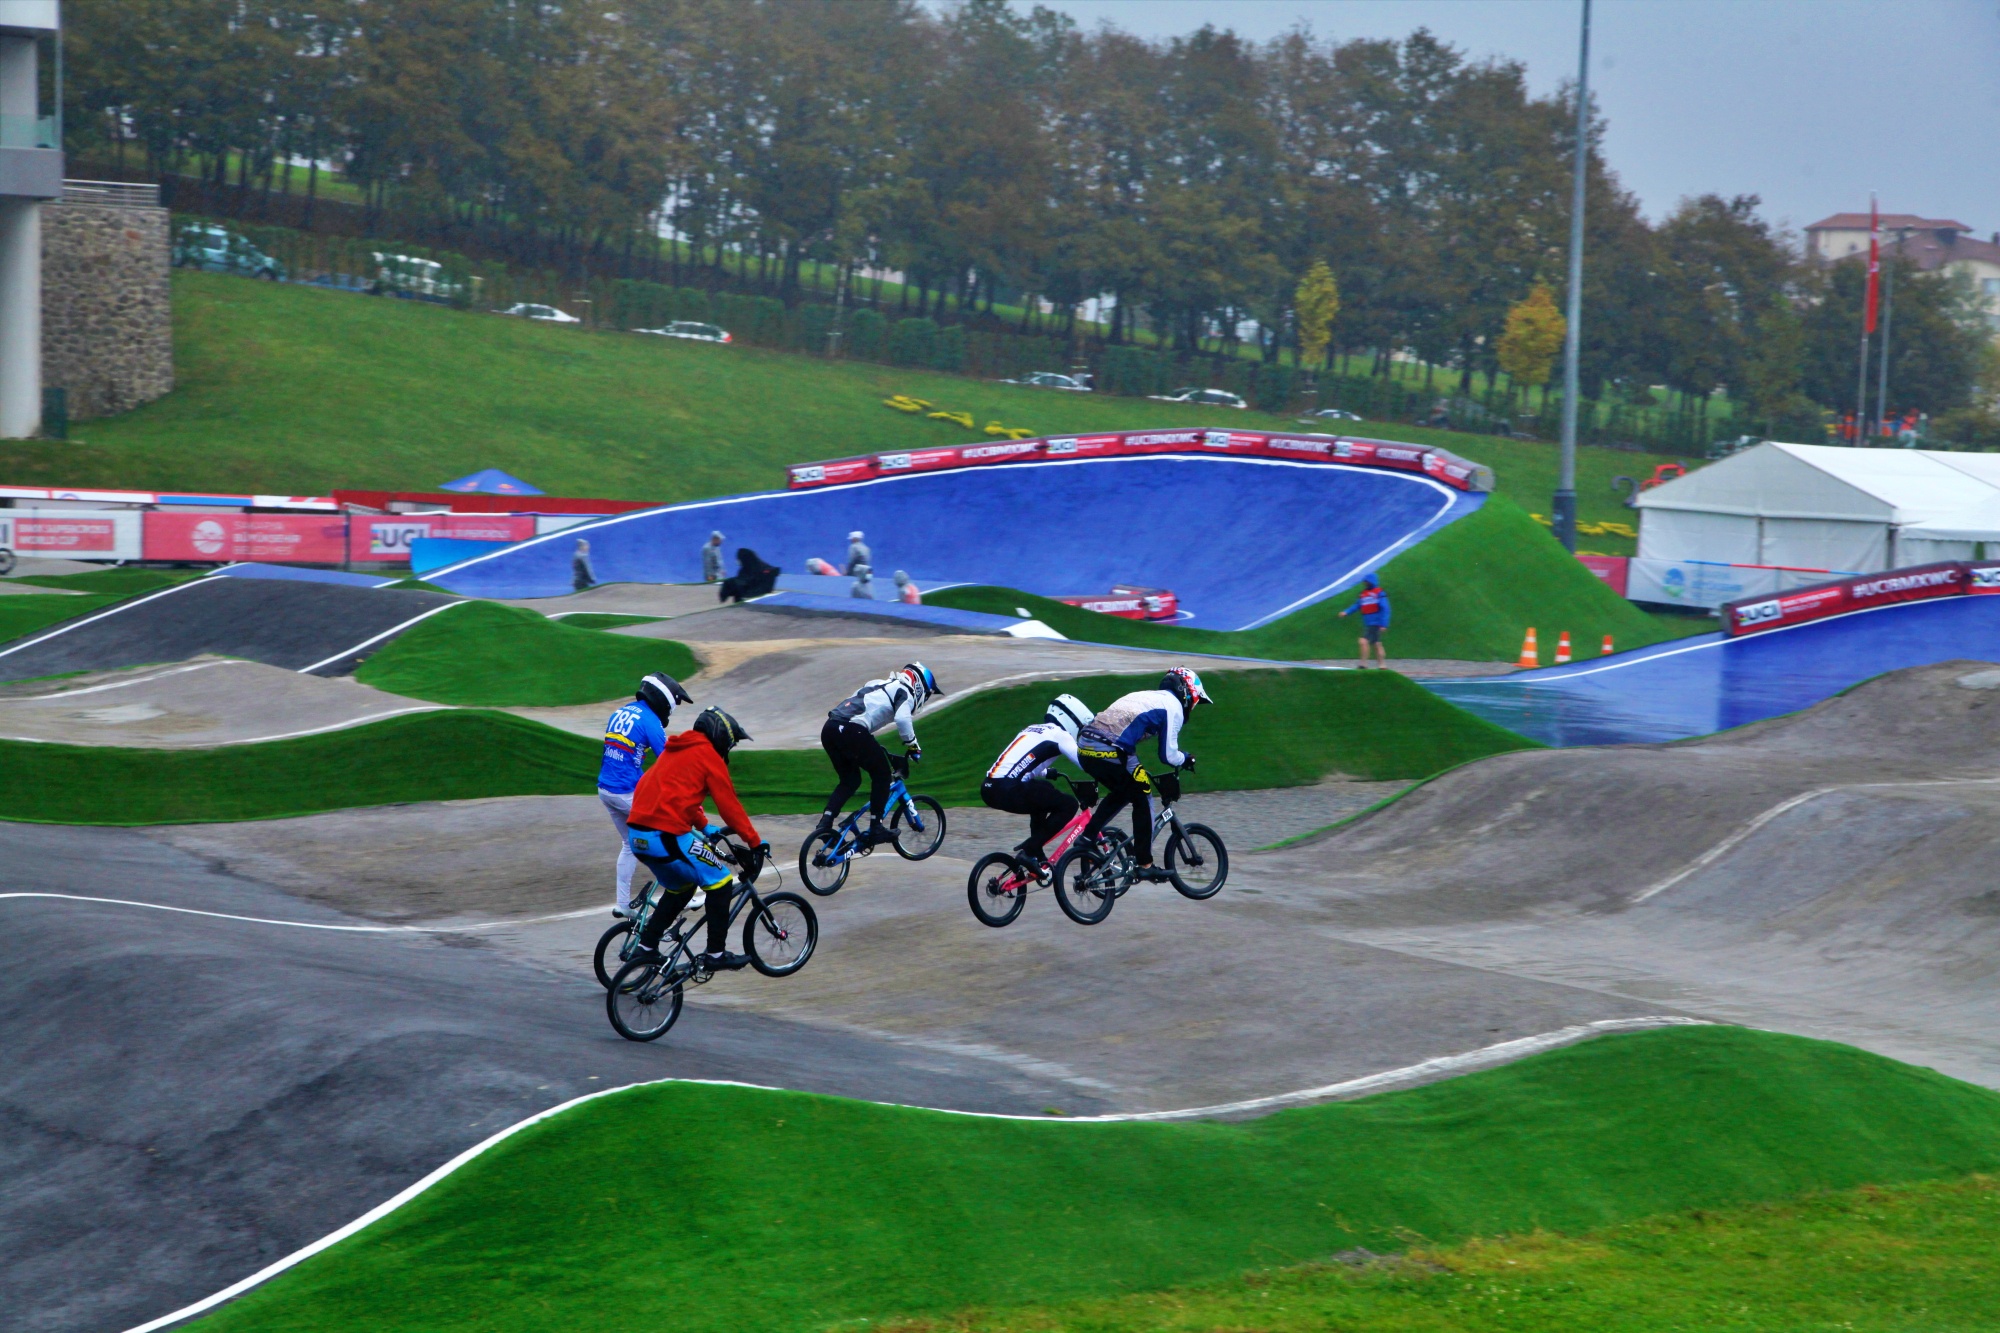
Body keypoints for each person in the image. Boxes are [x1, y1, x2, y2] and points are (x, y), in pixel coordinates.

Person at [626, 707, 767, 971]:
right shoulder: (708, 756)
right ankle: (715, 954)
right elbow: (730, 807)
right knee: (721, 880)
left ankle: (645, 948)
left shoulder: (675, 751)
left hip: (638, 836)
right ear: (721, 737)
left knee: (681, 887)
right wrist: (755, 841)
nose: (728, 750)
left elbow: (679, 797)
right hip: (664, 835)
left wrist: (704, 826)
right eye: (730, 744)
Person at [1074, 667, 1211, 882]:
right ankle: (1145, 864)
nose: (1192, 706)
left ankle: (1087, 838)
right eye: (1194, 701)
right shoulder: (1172, 706)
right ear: (1186, 692)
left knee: (1127, 789)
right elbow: (1167, 755)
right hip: (1109, 748)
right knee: (1143, 796)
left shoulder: (1146, 696)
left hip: (1085, 746)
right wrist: (1186, 759)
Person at [816, 662, 940, 849]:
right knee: (882, 774)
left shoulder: (877, 683)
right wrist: (913, 746)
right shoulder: (904, 692)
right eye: (928, 694)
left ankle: (825, 824)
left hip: (831, 728)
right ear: (919, 686)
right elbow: (902, 719)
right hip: (852, 729)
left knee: (850, 780)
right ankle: (876, 827)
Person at [599, 672, 693, 916]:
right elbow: (669, 764)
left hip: (606, 790)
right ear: (663, 701)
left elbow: (627, 758)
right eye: (673, 706)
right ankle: (685, 891)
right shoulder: (651, 723)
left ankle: (622, 905)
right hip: (627, 792)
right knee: (673, 833)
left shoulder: (621, 711)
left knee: (629, 845)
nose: (670, 714)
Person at [981, 694, 1090, 872]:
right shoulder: (1060, 734)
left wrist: (1047, 772)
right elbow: (1085, 763)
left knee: (1044, 790)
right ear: (1072, 720)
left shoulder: (1032, 729)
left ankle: (1035, 855)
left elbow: (1024, 761)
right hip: (1009, 789)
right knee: (1068, 804)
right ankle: (1030, 850)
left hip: (989, 787)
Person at [1336, 573, 1391, 666]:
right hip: (1369, 623)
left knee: (1363, 641)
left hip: (1375, 623)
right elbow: (1357, 605)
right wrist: (1346, 612)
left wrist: (1383, 624)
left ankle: (1364, 663)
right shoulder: (1363, 594)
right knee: (1376, 644)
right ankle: (1382, 665)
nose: (1365, 583)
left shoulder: (1379, 593)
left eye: (1366, 581)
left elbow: (1385, 608)